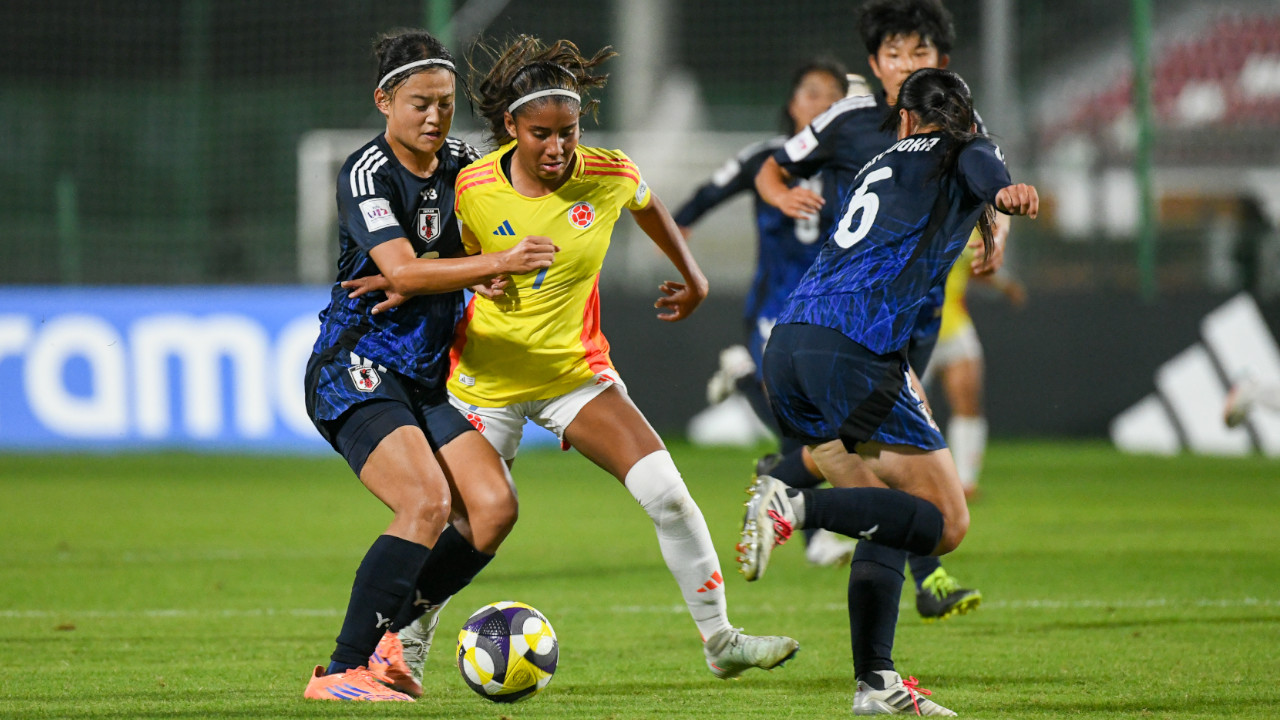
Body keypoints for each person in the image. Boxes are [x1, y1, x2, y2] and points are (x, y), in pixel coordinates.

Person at [346, 35, 799, 680]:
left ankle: (720, 640)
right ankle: (408, 641)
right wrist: (455, 276)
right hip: (481, 383)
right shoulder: (470, 187)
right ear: (512, 128)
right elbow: (435, 260)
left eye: (569, 132)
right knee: (474, 523)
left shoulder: (608, 174)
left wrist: (692, 276)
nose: (558, 149)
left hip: (573, 375)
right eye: (541, 134)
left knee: (668, 497)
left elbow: (649, 206)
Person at [737, 67, 1039, 716]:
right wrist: (1006, 196)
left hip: (792, 343)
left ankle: (875, 683)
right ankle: (794, 502)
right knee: (946, 522)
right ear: (962, 117)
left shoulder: (880, 156)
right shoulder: (967, 145)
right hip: (853, 349)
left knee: (886, 511)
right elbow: (987, 173)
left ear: (903, 119)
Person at [300, 29, 556, 702]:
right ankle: (340, 672)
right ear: (384, 100)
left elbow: (465, 250)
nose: (434, 117)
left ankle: (387, 633)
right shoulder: (366, 172)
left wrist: (475, 275)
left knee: (494, 508)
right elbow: (404, 270)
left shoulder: (464, 163)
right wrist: (483, 267)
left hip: (423, 375)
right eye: (419, 103)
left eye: (444, 103)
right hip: (356, 363)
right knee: (425, 500)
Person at [754, 0, 989, 621]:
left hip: (907, 314)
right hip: (861, 324)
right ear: (874, 62)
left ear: (940, 62)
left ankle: (876, 675)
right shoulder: (850, 119)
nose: (905, 64)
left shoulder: (954, 127)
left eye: (919, 53)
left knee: (878, 472)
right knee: (922, 491)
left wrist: (994, 237)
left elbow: (987, 186)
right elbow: (771, 168)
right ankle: (922, 570)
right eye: (894, 54)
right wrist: (784, 199)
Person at [673, 59, 860, 567]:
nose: (821, 103)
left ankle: (743, 380)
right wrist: (678, 231)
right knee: (809, 427)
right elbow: (709, 193)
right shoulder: (766, 158)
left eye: (832, 96)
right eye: (811, 93)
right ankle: (815, 536)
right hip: (775, 309)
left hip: (833, 313)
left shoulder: (855, 164)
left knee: (820, 430)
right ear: (793, 104)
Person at [920, 247, 1026, 499]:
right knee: (908, 410)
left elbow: (974, 265)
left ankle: (965, 482)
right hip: (911, 332)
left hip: (953, 326)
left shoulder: (968, 220)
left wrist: (1004, 283)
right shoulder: (908, 215)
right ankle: (909, 478)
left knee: (968, 401)